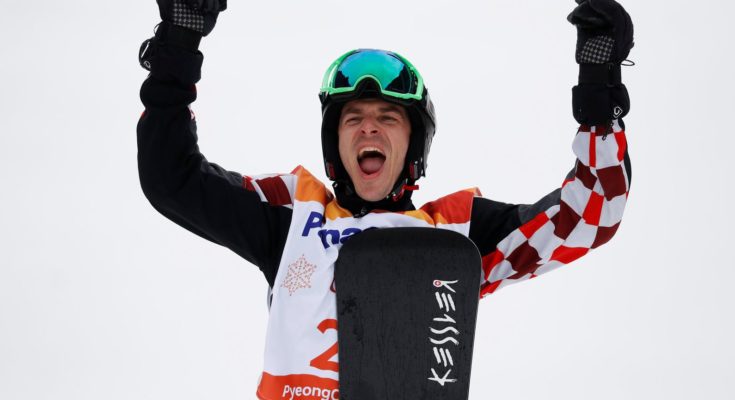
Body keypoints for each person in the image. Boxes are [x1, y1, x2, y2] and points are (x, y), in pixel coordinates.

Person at [137, 0, 633, 398]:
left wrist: (599, 91)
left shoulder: (455, 233)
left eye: (388, 118)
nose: (368, 128)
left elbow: (589, 215)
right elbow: (171, 177)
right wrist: (178, 46)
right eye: (353, 118)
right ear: (335, 144)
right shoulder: (290, 216)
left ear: (413, 147)